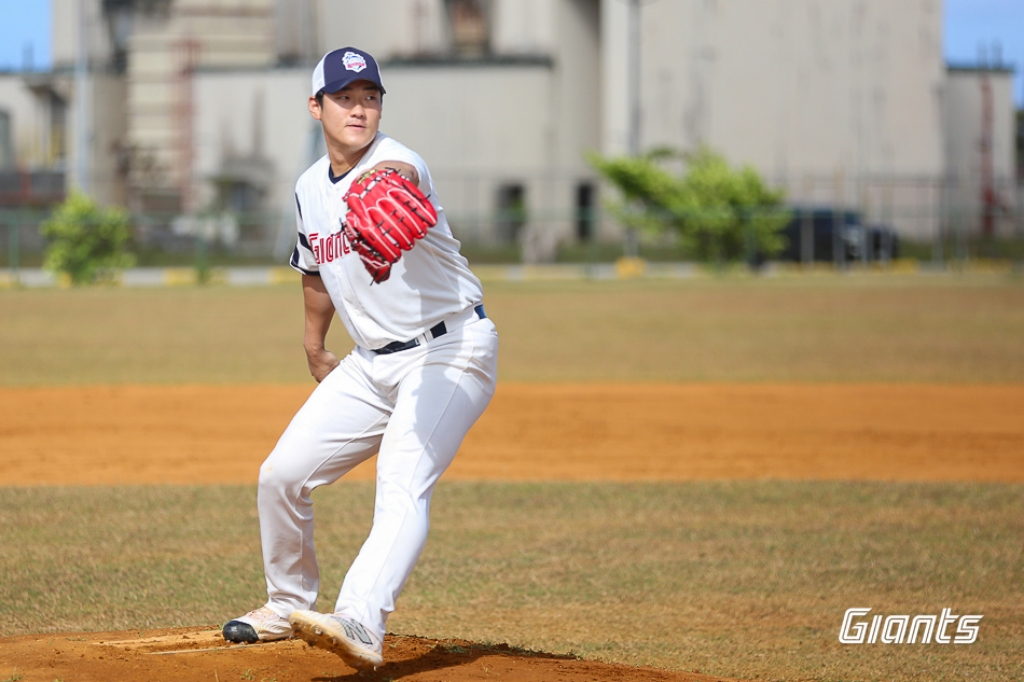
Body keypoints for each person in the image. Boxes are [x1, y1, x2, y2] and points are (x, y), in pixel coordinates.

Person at [221, 47, 499, 673]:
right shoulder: (307, 188)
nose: (359, 108)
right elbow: (315, 271)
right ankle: (287, 605)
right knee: (281, 475)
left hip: (450, 350)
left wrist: (388, 187)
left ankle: (362, 619)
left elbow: (398, 177)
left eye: (370, 97)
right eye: (345, 97)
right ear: (315, 107)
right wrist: (314, 345)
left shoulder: (398, 163)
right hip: (372, 363)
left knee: (401, 483)